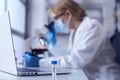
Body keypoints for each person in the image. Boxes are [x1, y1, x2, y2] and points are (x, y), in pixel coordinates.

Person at [24, 0, 115, 79]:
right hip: (88, 75)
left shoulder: (93, 27)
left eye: (56, 19)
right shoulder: (75, 32)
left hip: (104, 77)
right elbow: (68, 56)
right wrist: (53, 43)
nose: (55, 23)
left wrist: (41, 62)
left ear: (68, 14)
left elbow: (76, 61)